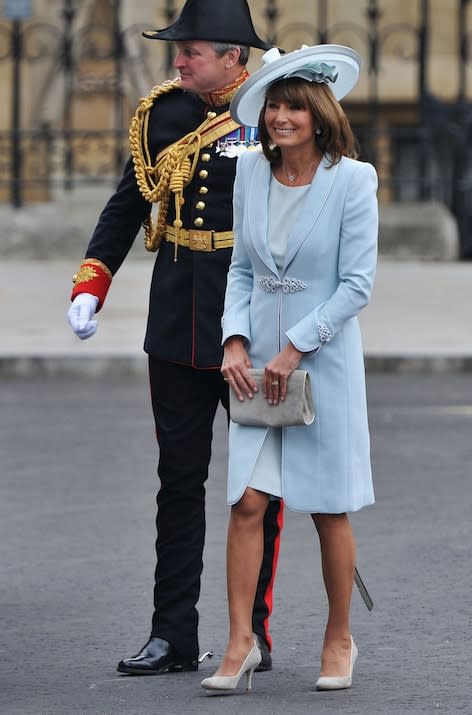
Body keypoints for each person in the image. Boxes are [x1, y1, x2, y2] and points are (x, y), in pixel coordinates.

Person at [66, 0, 284, 675]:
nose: (178, 59)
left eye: (191, 49)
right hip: (176, 320)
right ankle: (172, 634)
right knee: (178, 481)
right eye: (179, 48)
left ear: (232, 57)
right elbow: (129, 202)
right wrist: (90, 282)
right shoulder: (163, 113)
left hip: (250, 320)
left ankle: (254, 630)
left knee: (258, 485)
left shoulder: (275, 110)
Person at [200, 44, 378, 693]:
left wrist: (296, 344)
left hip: (321, 364)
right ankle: (240, 640)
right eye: (274, 105)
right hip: (255, 370)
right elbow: (242, 270)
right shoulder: (249, 174)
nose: (280, 117)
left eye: (294, 107)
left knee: (328, 507)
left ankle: (339, 637)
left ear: (318, 114)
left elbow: (357, 285)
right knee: (246, 501)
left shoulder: (353, 181)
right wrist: (235, 342)